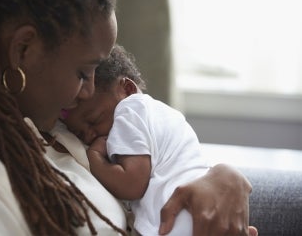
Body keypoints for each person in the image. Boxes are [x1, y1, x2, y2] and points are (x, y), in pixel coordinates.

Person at [0, 0, 257, 235]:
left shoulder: (51, 122)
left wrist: (220, 177)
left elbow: (158, 159)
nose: (87, 92)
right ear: (23, 49)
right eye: (83, 72)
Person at [61, 44, 216, 235]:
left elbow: (132, 184)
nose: (89, 135)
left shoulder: (130, 109)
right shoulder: (159, 113)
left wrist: (93, 158)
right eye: (80, 133)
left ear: (127, 89)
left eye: (94, 120)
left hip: (182, 219)